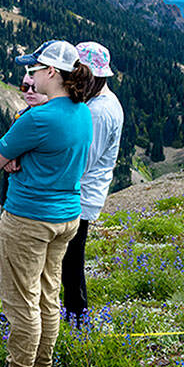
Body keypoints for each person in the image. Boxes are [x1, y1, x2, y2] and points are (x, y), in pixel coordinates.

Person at [0, 41, 92, 367]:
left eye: (35, 70)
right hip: (66, 216)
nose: (30, 76)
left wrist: (17, 160)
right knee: (48, 291)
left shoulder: (38, 118)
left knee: (20, 297)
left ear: (52, 73)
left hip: (28, 216)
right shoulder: (83, 112)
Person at [61, 42, 124, 328]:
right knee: (68, 260)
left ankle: (77, 318)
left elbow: (82, 160)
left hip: (81, 196)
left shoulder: (99, 112)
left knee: (70, 262)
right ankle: (74, 316)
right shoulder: (100, 103)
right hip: (82, 193)